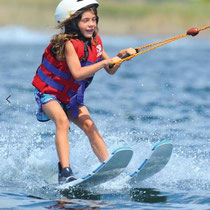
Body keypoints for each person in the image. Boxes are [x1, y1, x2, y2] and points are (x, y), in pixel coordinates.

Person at [32, 0, 136, 184]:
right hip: (49, 94)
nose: (91, 24)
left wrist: (120, 58)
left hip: (70, 97)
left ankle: (109, 168)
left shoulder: (95, 41)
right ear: (73, 23)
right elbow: (78, 74)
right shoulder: (68, 44)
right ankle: (65, 172)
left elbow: (110, 69)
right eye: (86, 20)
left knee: (90, 126)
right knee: (63, 122)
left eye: (94, 19)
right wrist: (105, 62)